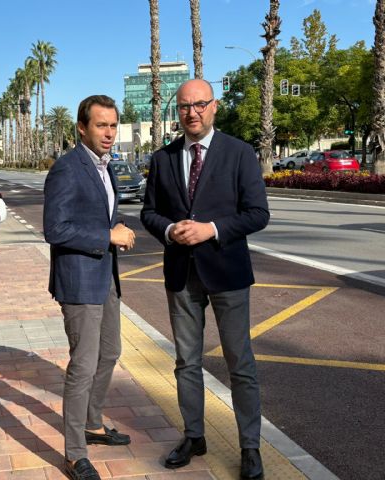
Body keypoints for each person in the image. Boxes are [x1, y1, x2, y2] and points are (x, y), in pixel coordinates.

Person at [140, 79, 269, 480]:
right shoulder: (162, 159)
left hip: (227, 272)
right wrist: (169, 230)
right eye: (183, 106)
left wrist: (210, 229)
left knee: (239, 363)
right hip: (182, 274)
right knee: (186, 363)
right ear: (175, 112)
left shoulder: (239, 152)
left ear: (214, 107)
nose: (191, 112)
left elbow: (257, 213)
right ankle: (194, 436)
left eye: (199, 104)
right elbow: (148, 212)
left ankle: (250, 447)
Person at [43, 94, 136, 480]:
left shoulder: (104, 167)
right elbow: (55, 228)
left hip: (105, 277)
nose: (109, 133)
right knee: (82, 366)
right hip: (80, 280)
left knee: (110, 352)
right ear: (82, 128)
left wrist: (116, 232)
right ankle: (74, 453)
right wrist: (107, 235)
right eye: (101, 125)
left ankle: (93, 423)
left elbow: (99, 212)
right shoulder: (68, 168)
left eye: (113, 125)